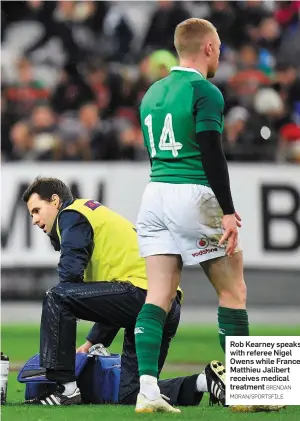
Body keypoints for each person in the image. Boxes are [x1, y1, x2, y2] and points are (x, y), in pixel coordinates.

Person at [22, 177, 226, 408]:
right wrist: (90, 343)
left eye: (37, 210)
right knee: (134, 394)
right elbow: (112, 299)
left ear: (56, 201)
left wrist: (65, 318)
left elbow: (70, 276)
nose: (35, 220)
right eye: (31, 214)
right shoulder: (92, 214)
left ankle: (65, 389)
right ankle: (206, 382)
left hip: (140, 295)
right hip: (165, 306)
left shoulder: (71, 214)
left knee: (56, 296)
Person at [134, 18, 248, 413]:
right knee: (233, 291)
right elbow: (211, 152)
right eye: (219, 47)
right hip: (192, 191)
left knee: (159, 294)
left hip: (154, 194)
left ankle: (147, 390)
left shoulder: (151, 93)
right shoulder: (206, 91)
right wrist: (229, 211)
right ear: (209, 49)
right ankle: (248, 389)